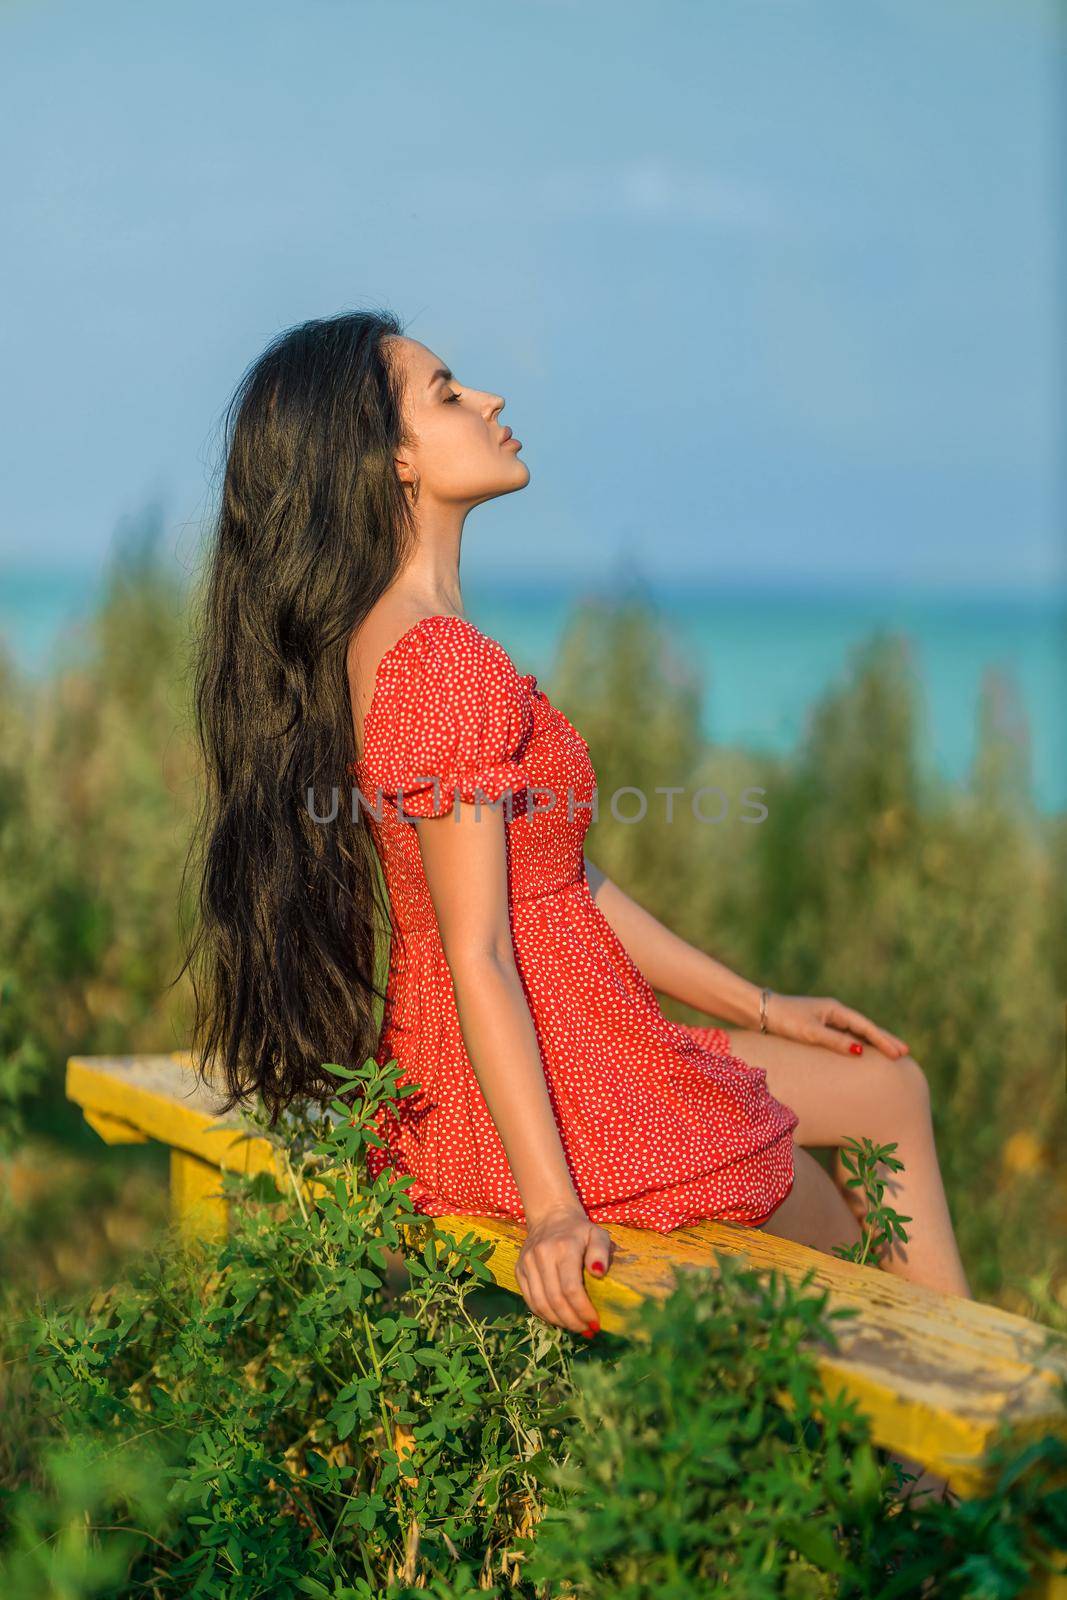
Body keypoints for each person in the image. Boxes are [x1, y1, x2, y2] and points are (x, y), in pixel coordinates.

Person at [184, 307, 971, 1356]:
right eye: (450, 390)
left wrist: (762, 1003)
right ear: (393, 460)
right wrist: (552, 1207)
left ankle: (959, 1469)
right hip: (558, 1086)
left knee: (884, 1089)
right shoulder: (440, 663)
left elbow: (552, 880)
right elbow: (478, 948)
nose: (492, 400)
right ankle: (976, 1475)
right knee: (860, 1269)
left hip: (536, 1059)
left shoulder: (392, 642)